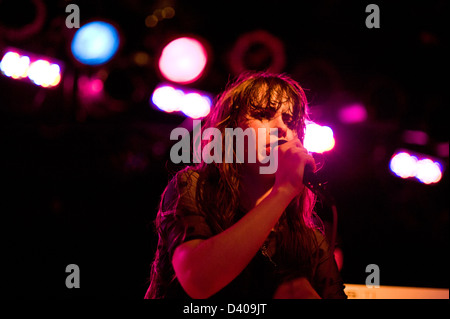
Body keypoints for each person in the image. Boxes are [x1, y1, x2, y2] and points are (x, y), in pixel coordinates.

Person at [145, 71, 347, 299]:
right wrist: (283, 192)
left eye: (289, 121)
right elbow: (198, 281)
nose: (282, 128)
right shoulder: (194, 187)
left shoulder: (309, 241)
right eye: (263, 114)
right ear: (230, 133)